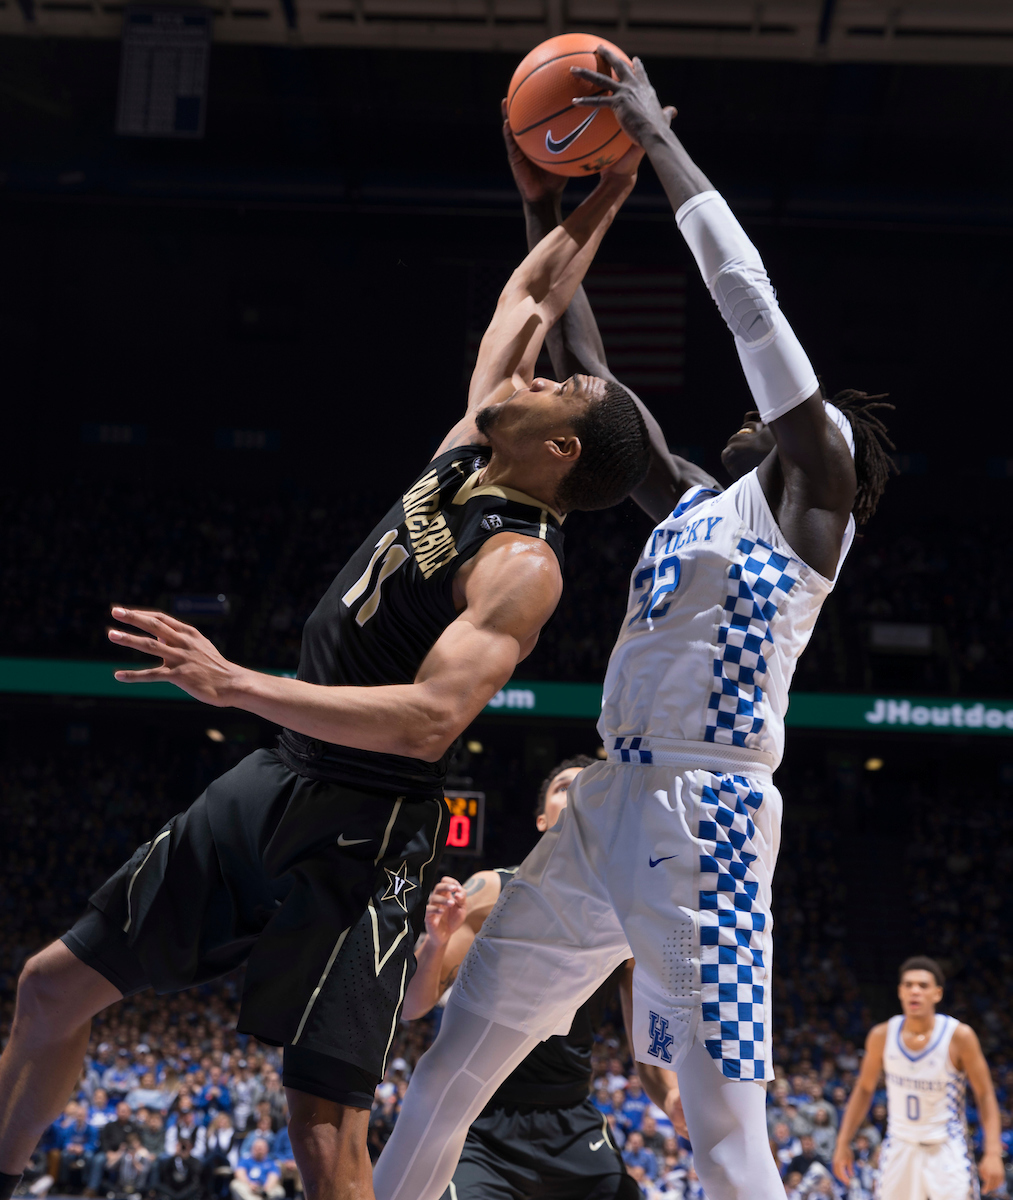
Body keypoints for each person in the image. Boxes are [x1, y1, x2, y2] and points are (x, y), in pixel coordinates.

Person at [0, 141, 653, 1200]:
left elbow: (430, 719)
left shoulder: (520, 565)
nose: (531, 372)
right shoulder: (466, 447)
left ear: (564, 451)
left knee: (318, 1132)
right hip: (280, 775)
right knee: (47, 990)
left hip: (371, 826)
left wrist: (237, 683)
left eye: (556, 385)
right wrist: (597, 189)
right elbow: (531, 290)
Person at [374, 51, 896, 1200]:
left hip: (706, 821)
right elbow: (590, 379)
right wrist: (542, 203)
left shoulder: (804, 506)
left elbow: (747, 305)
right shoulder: (700, 509)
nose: (767, 416)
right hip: (605, 805)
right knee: (450, 1065)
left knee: (723, 1136)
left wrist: (655, 138)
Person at [401, 757, 685, 1200]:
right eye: (562, 787)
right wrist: (436, 942)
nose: (576, 794)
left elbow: (646, 1049)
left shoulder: (626, 912)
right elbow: (412, 1006)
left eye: (589, 788)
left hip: (572, 1120)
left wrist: (670, 1100)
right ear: (541, 821)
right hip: (483, 1118)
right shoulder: (493, 890)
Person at [832, 956, 1004, 1198]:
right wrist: (842, 1142)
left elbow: (985, 1094)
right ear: (900, 991)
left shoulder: (959, 1037)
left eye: (923, 986)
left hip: (946, 1147)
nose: (915, 991)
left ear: (937, 993)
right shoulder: (881, 1036)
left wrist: (993, 1151)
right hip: (899, 1145)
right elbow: (863, 1089)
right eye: (909, 985)